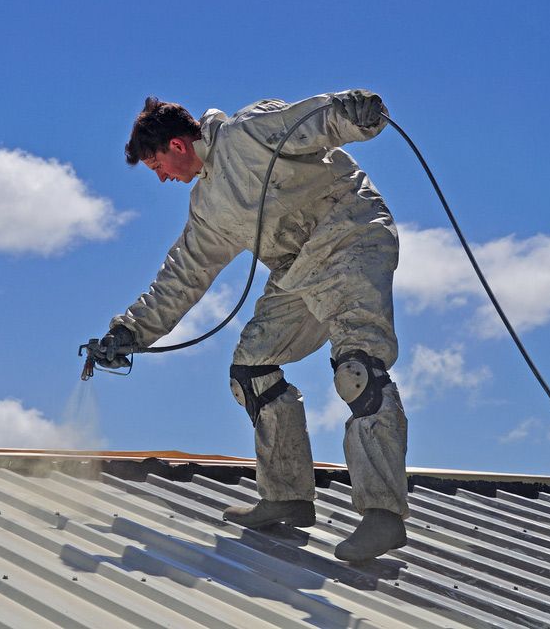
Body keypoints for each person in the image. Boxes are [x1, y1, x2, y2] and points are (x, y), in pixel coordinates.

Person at [93, 90, 409, 562]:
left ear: (178, 146)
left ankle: (383, 516)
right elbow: (184, 275)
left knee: (357, 369)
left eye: (156, 165)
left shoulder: (248, 134)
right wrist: (130, 332)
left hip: (350, 237)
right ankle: (287, 496)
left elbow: (315, 121)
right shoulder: (207, 208)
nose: (160, 178)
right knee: (252, 371)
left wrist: (355, 112)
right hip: (297, 270)